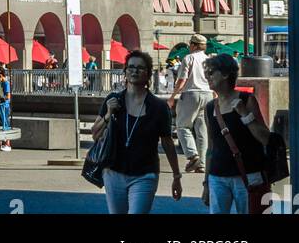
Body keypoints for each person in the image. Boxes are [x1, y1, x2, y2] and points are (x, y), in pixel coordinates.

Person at [91, 49, 182, 215]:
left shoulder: (158, 107)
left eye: (140, 68)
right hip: (114, 172)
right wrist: (108, 114)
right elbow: (95, 134)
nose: (134, 71)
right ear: (125, 71)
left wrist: (176, 176)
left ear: (148, 74)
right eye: (131, 67)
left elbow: (167, 142)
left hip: (145, 174)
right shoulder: (113, 100)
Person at [202, 54, 271, 215]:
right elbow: (210, 147)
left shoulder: (247, 101)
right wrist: (206, 183)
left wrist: (245, 115)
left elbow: (265, 138)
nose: (207, 77)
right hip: (217, 177)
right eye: (206, 73)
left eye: (211, 72)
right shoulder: (210, 108)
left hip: (248, 175)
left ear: (226, 74)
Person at [169, 33, 210, 173]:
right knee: (202, 130)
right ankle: (202, 163)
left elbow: (182, 80)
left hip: (191, 93)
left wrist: (172, 96)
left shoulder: (189, 58)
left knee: (182, 126)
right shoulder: (208, 60)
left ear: (193, 45)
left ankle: (193, 156)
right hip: (208, 95)